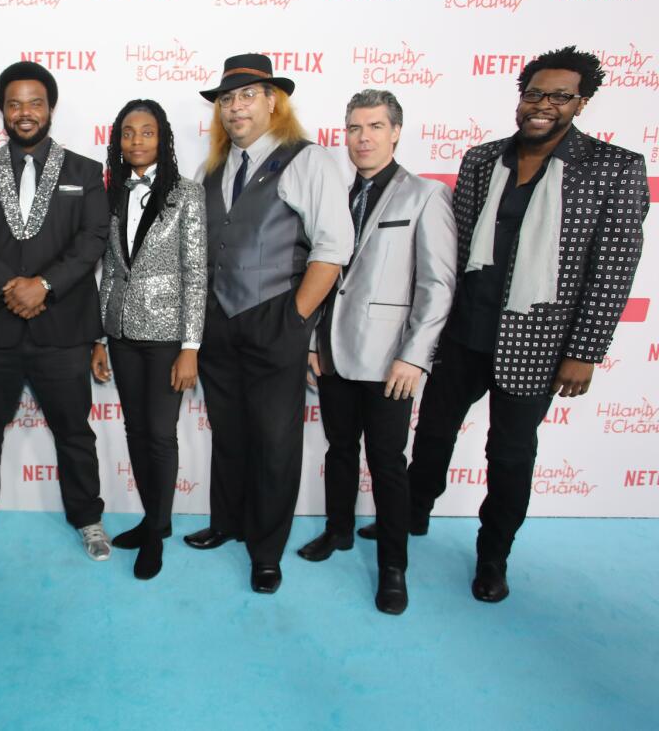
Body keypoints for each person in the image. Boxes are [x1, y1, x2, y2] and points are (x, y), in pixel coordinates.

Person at [406, 46, 649, 603]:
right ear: (521, 98)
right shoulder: (482, 158)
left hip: (538, 344)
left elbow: (611, 270)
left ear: (581, 102)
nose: (544, 105)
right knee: (433, 433)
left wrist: (584, 351)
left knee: (511, 454)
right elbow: (454, 250)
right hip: (464, 332)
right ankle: (414, 514)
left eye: (560, 96)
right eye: (535, 93)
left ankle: (494, 556)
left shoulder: (615, 168)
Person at [186, 53, 353, 594]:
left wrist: (296, 317)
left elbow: (333, 248)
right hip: (218, 322)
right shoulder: (211, 168)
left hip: (274, 318)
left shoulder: (308, 160)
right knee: (229, 433)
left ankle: (266, 552)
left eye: (247, 96)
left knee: (276, 441)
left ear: (272, 101)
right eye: (227, 99)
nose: (235, 107)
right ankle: (228, 522)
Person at [296, 89, 457, 615]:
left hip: (391, 361)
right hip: (335, 353)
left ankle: (393, 568)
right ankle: (338, 532)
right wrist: (314, 343)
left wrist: (415, 356)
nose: (362, 138)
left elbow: (437, 284)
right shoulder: (335, 194)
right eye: (354, 128)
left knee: (387, 463)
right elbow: (324, 276)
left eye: (374, 127)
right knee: (339, 450)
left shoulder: (425, 195)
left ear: (395, 133)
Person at [0, 61, 111, 560]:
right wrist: (8, 286)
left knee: (75, 434)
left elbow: (93, 239)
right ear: (2, 110)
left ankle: (89, 519)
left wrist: (44, 285)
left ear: (51, 108)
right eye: (14, 103)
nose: (24, 112)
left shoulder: (85, 171)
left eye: (34, 103)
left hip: (61, 329)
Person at [91, 99, 206, 580]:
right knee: (137, 431)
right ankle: (149, 521)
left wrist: (190, 347)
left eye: (148, 132)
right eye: (128, 133)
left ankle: (158, 532)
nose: (137, 141)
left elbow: (195, 273)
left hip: (166, 338)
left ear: (164, 139)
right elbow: (108, 271)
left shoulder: (187, 194)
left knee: (160, 435)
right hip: (120, 332)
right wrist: (99, 336)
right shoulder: (110, 192)